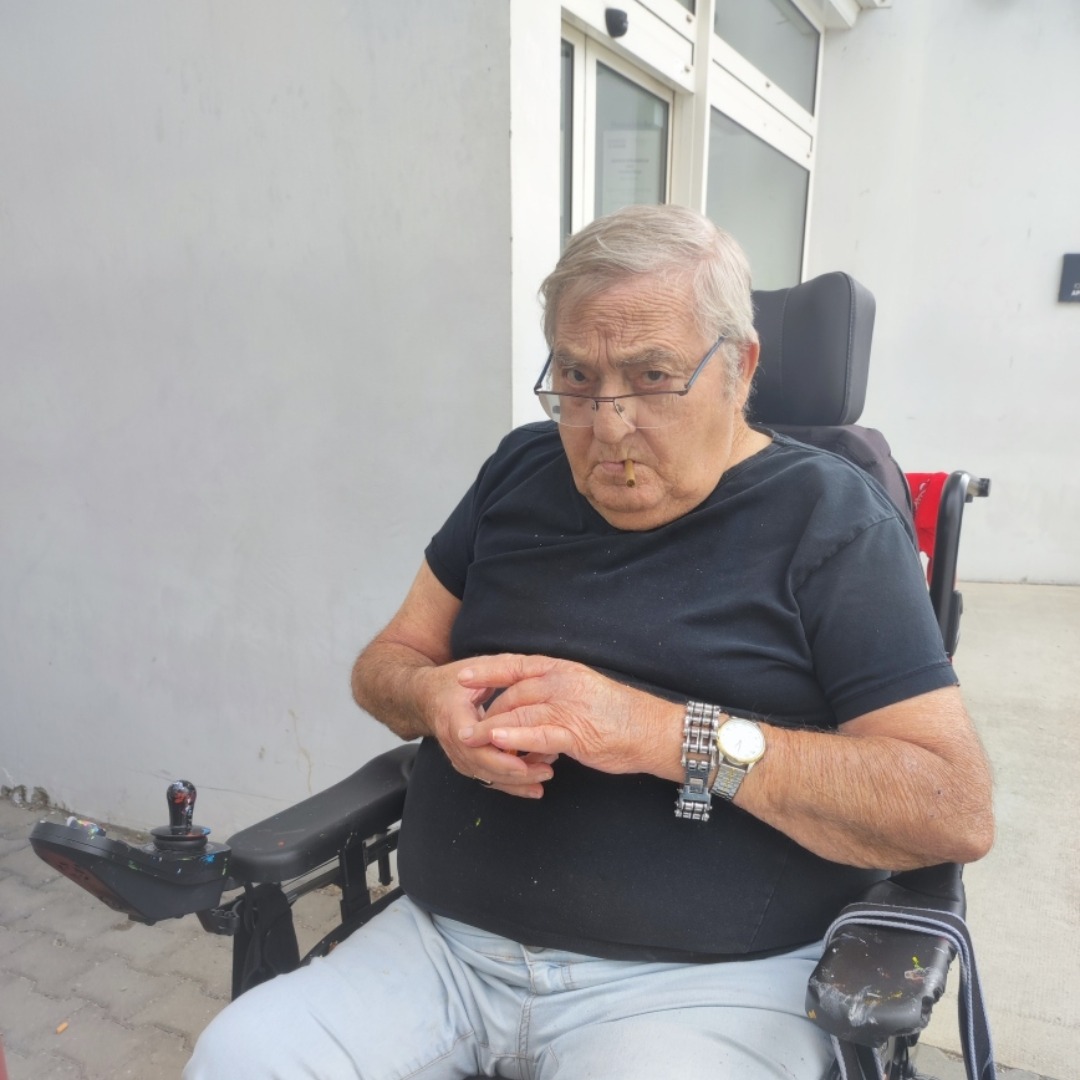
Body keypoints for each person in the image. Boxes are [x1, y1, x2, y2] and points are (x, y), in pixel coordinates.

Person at [186, 205, 994, 1079]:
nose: (607, 425)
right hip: (443, 953)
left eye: (652, 376)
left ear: (741, 367)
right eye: (576, 377)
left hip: (704, 988)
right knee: (238, 1058)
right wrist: (430, 699)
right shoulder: (518, 472)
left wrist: (660, 734)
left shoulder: (831, 521)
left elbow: (951, 806)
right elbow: (386, 664)